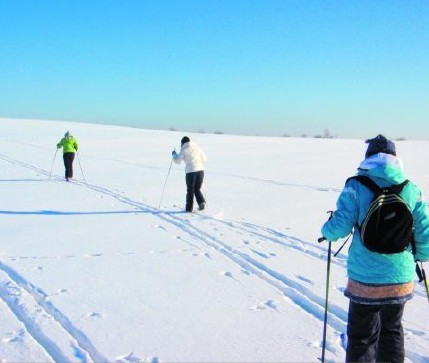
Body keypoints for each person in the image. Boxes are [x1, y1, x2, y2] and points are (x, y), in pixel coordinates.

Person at [320, 134, 429, 363]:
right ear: (395, 157)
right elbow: (424, 232)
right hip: (400, 278)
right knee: (391, 330)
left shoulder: (356, 185)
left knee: (362, 336)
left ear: (368, 157)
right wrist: (420, 256)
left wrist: (327, 230)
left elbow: (338, 228)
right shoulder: (411, 189)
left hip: (365, 278)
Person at [172, 136, 207, 212]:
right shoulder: (198, 147)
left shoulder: (184, 149)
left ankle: (189, 209)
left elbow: (177, 161)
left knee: (190, 190)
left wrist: (174, 154)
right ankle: (201, 202)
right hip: (201, 171)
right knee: (197, 189)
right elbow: (204, 158)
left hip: (191, 172)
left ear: (182, 143)